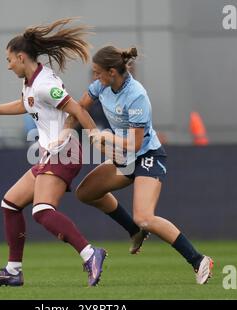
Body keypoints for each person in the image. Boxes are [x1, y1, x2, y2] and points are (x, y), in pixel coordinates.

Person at [0, 18, 107, 287]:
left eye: (9, 60)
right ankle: (14, 271)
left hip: (64, 152)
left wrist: (94, 135)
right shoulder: (31, 83)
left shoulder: (43, 84)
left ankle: (90, 254)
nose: (8, 66)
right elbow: (25, 104)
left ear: (20, 57)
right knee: (10, 204)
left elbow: (77, 109)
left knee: (42, 210)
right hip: (49, 154)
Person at [72, 45, 214, 284]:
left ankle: (198, 260)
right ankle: (134, 231)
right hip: (124, 157)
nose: (95, 77)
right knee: (85, 193)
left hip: (147, 156)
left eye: (98, 72)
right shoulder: (101, 86)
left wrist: (106, 137)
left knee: (145, 217)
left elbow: (136, 144)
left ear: (112, 72)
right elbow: (77, 108)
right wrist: (75, 133)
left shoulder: (136, 95)